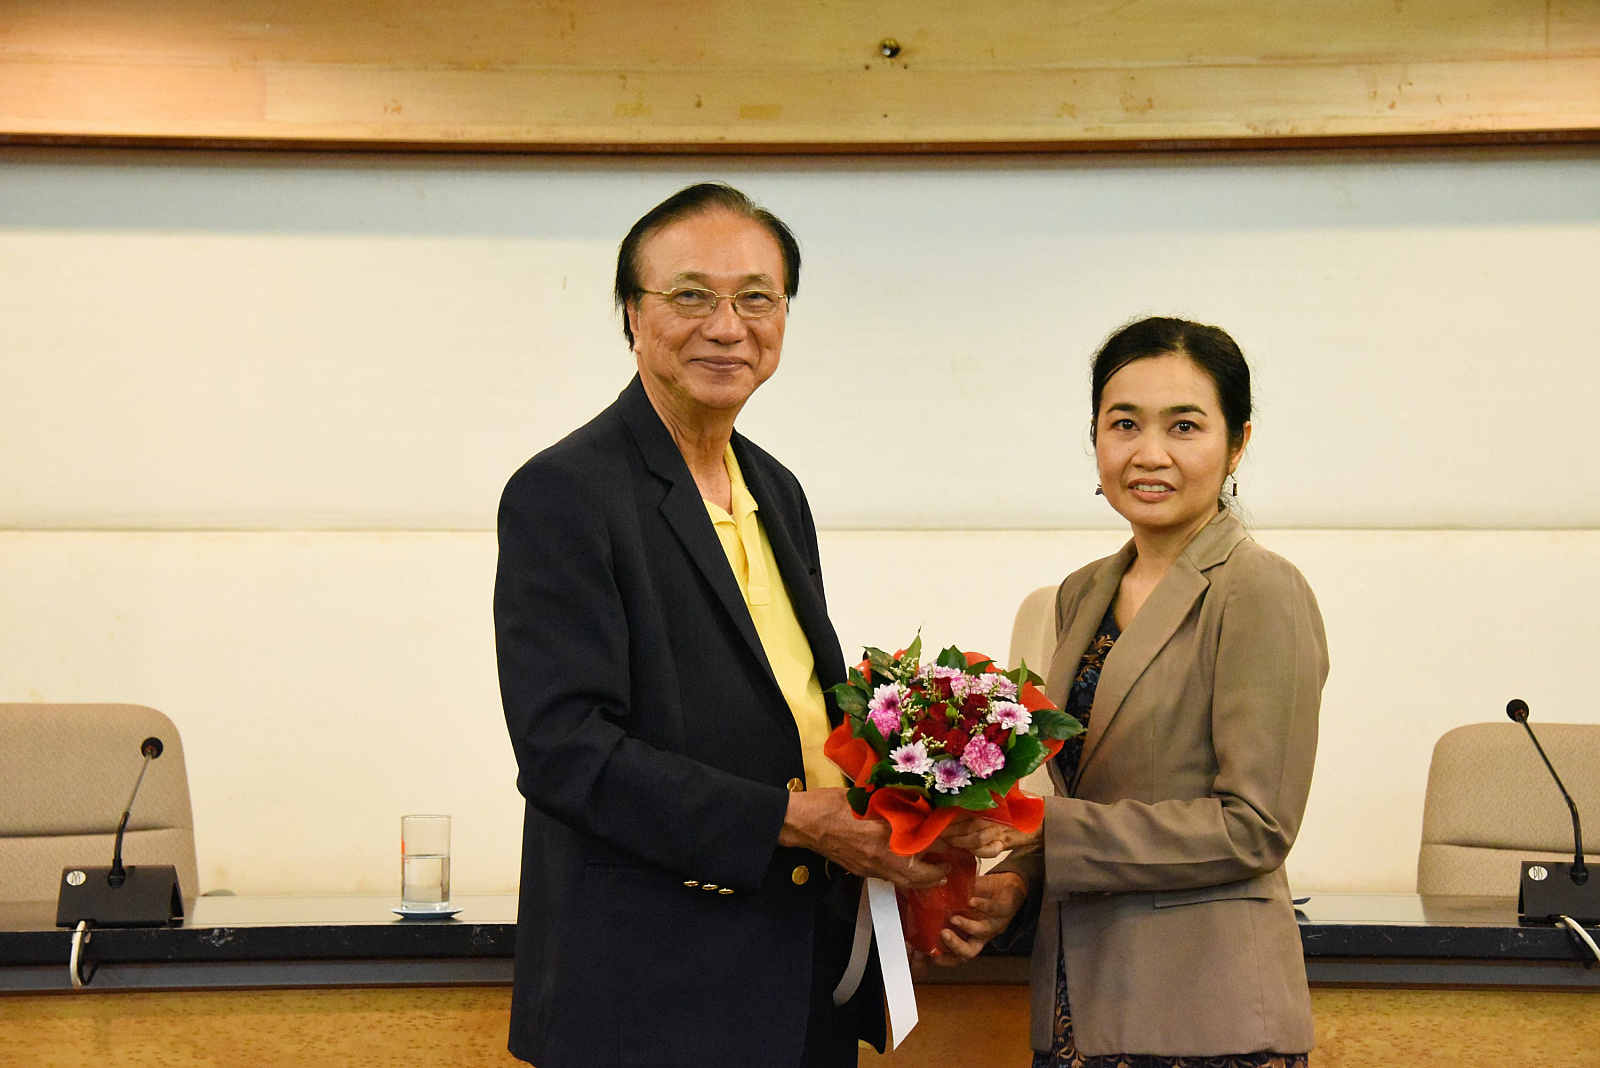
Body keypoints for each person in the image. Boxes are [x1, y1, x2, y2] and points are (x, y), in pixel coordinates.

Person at [493, 182, 946, 1068]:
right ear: (633, 314)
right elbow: (565, 752)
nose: (728, 327)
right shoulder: (565, 492)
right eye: (692, 295)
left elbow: (793, 709)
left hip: (798, 976)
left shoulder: (775, 488)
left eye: (757, 299)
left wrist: (919, 800)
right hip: (652, 996)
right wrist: (792, 819)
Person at [936, 317, 1327, 1066]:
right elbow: (1085, 795)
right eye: (1124, 424)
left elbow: (1255, 827)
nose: (1150, 453)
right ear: (1095, 438)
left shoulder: (1259, 589)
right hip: (1078, 1006)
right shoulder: (1080, 594)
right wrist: (1015, 883)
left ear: (1238, 443)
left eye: (1185, 426)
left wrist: (1042, 832)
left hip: (1205, 1015)